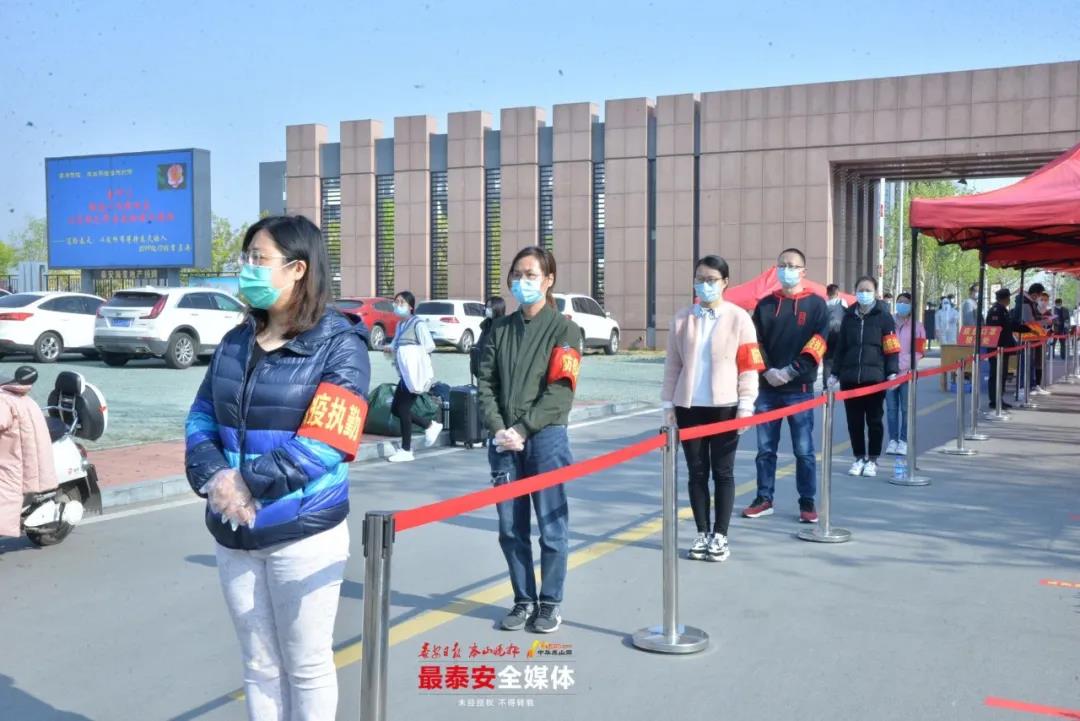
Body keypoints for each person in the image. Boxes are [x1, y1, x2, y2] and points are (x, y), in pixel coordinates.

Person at [185, 215, 370, 721]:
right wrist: (216, 478)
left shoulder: (340, 345)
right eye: (245, 258)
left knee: (306, 665)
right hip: (234, 529)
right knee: (259, 665)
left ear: (297, 269)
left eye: (258, 259)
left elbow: (326, 441)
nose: (247, 268)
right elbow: (201, 417)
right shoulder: (236, 341)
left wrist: (246, 483)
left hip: (302, 531)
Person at [477, 246, 581, 634]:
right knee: (510, 528)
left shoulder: (564, 330)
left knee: (551, 527)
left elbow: (560, 391)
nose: (522, 282)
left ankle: (550, 603)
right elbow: (485, 383)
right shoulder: (500, 329)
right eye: (517, 275)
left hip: (546, 438)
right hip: (504, 440)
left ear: (548, 280)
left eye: (531, 275)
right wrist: (499, 428)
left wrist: (523, 429)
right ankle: (523, 600)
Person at [661, 255, 762, 562]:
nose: (704, 285)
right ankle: (702, 532)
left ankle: (720, 535)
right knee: (696, 472)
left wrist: (746, 404)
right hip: (690, 406)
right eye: (700, 279)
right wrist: (668, 404)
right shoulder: (682, 319)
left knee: (723, 472)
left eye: (711, 280)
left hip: (725, 407)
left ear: (724, 282)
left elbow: (749, 366)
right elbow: (672, 365)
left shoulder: (739, 318)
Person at [742, 248, 829, 524]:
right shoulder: (765, 304)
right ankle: (764, 498)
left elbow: (819, 343)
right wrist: (767, 371)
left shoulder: (817, 305)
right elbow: (755, 344)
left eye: (792, 265)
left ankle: (807, 502)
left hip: (799, 390)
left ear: (803, 271)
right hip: (767, 389)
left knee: (803, 451)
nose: (786, 270)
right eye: (782, 265)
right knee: (765, 450)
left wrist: (791, 371)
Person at [827, 277, 900, 477]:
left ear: (875, 292)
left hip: (874, 379)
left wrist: (892, 371)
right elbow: (841, 347)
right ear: (855, 291)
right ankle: (859, 458)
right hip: (850, 378)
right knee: (854, 422)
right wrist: (834, 373)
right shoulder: (848, 316)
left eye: (868, 290)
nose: (864, 293)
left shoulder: (884, 316)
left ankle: (873, 460)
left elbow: (891, 347)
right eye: (861, 290)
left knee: (874, 421)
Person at [0, 367, 58, 538]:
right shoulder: (20, 398)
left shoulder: (4, 401)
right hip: (17, 456)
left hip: (12, 460)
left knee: (6, 492)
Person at [385, 291, 442, 462]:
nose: (397, 305)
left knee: (403, 409)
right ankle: (429, 425)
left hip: (416, 374)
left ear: (410, 307)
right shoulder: (400, 325)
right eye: (396, 302)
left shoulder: (418, 324)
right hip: (405, 374)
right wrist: (390, 348)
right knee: (396, 409)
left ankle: (406, 449)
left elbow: (429, 346)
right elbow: (396, 344)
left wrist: (410, 353)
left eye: (401, 302)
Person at [885, 292, 925, 457]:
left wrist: (900, 365)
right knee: (891, 409)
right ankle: (893, 440)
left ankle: (904, 440)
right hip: (889, 375)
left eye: (905, 302)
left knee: (906, 409)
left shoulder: (918, 326)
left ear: (911, 305)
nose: (902, 305)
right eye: (899, 301)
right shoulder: (888, 323)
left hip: (907, 373)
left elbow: (919, 352)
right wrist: (890, 368)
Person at [985, 287, 1018, 410]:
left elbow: (1010, 326)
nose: (1009, 300)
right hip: (997, 349)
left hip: (1003, 348)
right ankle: (994, 400)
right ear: (1005, 298)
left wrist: (1026, 328)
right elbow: (995, 331)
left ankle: (999, 399)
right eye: (1008, 298)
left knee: (1002, 374)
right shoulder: (996, 311)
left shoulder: (1003, 310)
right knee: (996, 374)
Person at [470, 295, 507, 380]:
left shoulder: (503, 327)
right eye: (486, 306)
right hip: (481, 370)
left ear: (497, 308)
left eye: (489, 307)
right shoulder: (486, 325)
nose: (486, 309)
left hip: (494, 373)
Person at [822, 283, 847, 390]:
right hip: (840, 335)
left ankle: (826, 387)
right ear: (837, 293)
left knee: (827, 363)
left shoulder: (823, 305)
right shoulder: (842, 302)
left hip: (827, 337)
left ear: (827, 293)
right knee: (842, 360)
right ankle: (844, 385)